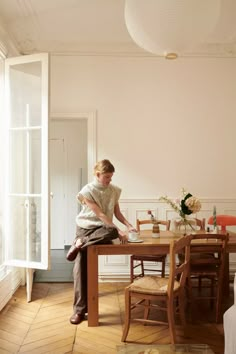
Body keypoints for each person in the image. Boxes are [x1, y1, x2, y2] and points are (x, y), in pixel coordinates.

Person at [70, 159, 136, 325]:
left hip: (102, 230)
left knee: (111, 229)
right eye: (107, 177)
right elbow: (99, 214)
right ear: (97, 175)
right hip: (86, 228)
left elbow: (117, 213)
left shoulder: (113, 191)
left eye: (111, 177)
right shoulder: (87, 191)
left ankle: (79, 243)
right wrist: (118, 231)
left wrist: (128, 225)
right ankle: (79, 311)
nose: (109, 180)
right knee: (81, 269)